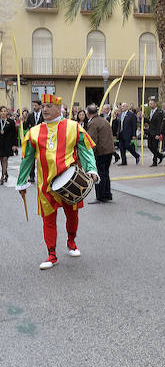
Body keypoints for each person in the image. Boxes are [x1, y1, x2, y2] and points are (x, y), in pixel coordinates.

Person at [15, 94, 98, 269]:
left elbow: (86, 150)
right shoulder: (34, 132)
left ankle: (71, 241)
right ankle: (51, 254)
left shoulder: (73, 128)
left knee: (72, 215)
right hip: (45, 184)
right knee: (48, 219)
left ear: (58, 108)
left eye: (48, 106)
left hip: (70, 180)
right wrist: (22, 183)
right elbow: (27, 159)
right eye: (43, 106)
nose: (44, 109)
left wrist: (92, 169)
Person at [86, 104, 114, 202]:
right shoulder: (104, 120)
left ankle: (100, 196)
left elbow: (92, 140)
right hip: (109, 151)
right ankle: (107, 194)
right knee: (105, 173)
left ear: (88, 113)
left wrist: (90, 155)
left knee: (99, 174)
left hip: (100, 152)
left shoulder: (93, 123)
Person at [0, 105, 18, 183]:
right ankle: (5, 173)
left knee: (4, 159)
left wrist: (14, 145)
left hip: (7, 144)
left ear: (7, 112)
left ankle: (2, 177)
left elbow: (14, 134)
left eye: (5, 111)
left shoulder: (10, 122)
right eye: (1, 111)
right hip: (0, 144)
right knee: (1, 160)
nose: (3, 113)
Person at [147, 96, 165, 166]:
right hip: (150, 132)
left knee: (154, 147)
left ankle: (154, 162)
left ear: (155, 104)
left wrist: (158, 134)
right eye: (149, 104)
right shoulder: (151, 112)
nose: (150, 105)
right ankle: (160, 156)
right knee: (149, 146)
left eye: (151, 104)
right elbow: (150, 122)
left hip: (155, 133)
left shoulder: (159, 112)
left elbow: (159, 124)